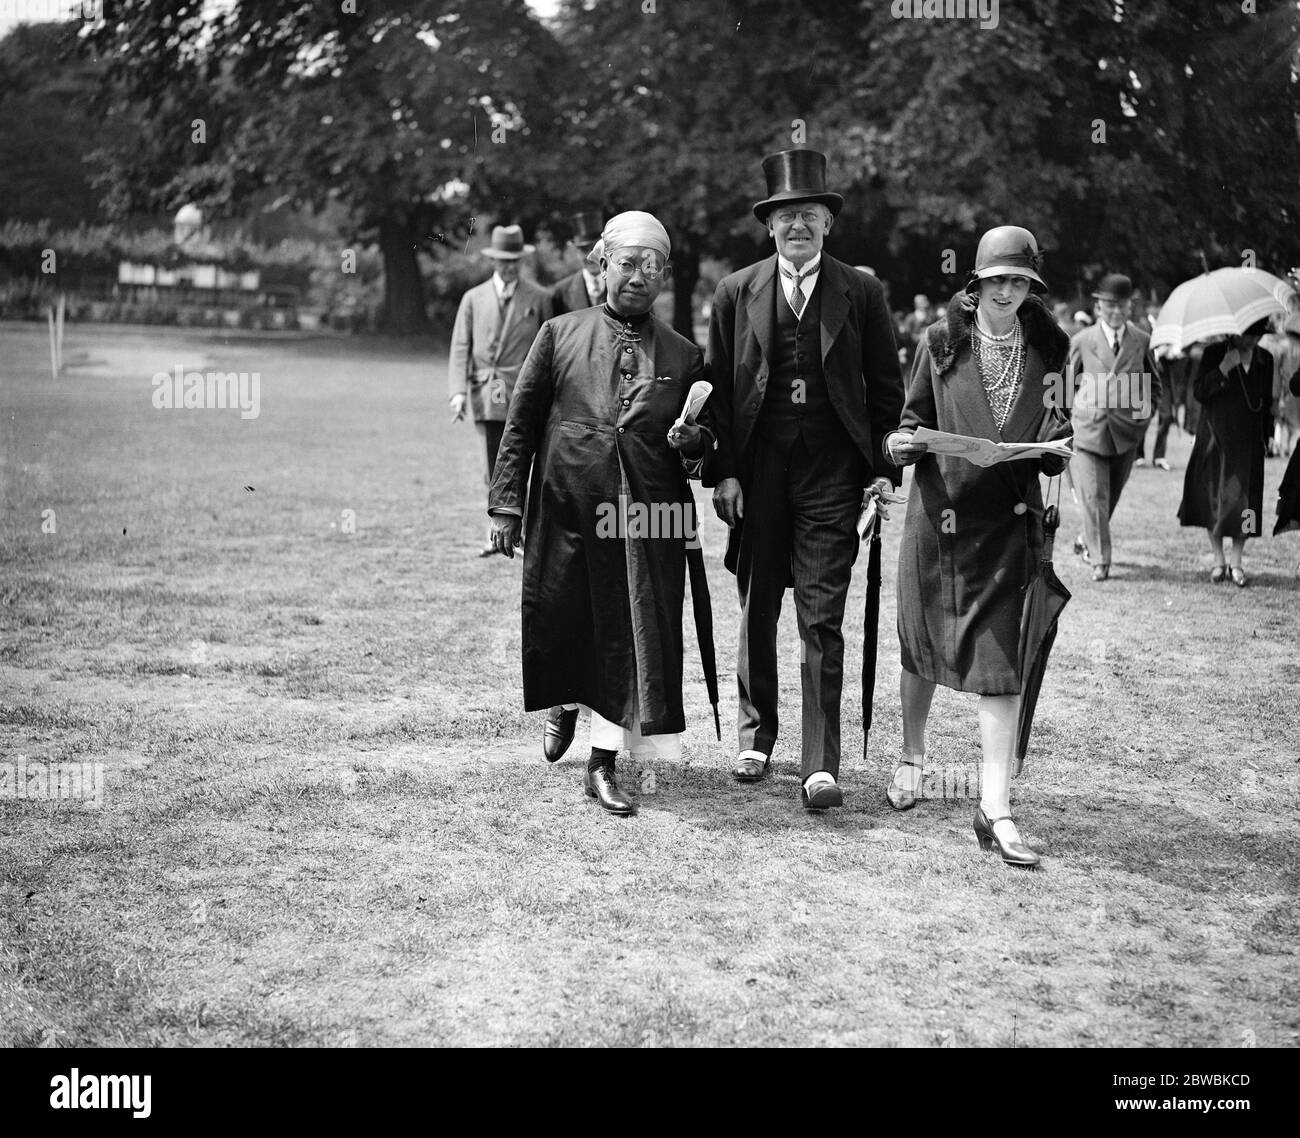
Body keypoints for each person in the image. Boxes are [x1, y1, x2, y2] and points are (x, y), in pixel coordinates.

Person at [487, 211, 711, 815]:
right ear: (602, 264)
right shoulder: (559, 333)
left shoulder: (685, 355)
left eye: (654, 265)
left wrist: (695, 443)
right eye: (629, 262)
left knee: (628, 638)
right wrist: (505, 505)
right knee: (566, 616)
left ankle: (603, 763)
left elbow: (706, 447)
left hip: (645, 520)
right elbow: (521, 425)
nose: (640, 276)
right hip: (566, 508)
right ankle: (564, 700)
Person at [705, 148, 905, 811]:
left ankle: (821, 765)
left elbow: (885, 391)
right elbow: (718, 395)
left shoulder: (863, 292)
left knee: (822, 617)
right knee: (757, 607)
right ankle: (756, 738)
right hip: (759, 471)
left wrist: (880, 470)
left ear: (828, 223)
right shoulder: (735, 292)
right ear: (769, 225)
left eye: (810, 215)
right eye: (787, 215)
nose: (799, 226)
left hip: (832, 474)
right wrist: (724, 474)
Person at [885, 225, 1072, 868]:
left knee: (1002, 667)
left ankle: (995, 808)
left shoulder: (1050, 346)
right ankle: (913, 757)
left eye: (1019, 282)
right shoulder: (940, 343)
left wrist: (1055, 449)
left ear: (1030, 288)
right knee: (922, 647)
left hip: (1007, 531)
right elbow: (909, 423)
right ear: (978, 284)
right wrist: (903, 445)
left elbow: (1056, 427)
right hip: (940, 522)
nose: (1007, 291)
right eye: (997, 281)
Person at [448, 225, 553, 556]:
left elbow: (553, 349)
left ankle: (519, 532)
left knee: (527, 462)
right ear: (493, 261)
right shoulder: (473, 298)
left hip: (525, 393)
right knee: (491, 465)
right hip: (485, 394)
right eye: (502, 261)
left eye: (514, 261)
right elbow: (460, 346)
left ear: (521, 261)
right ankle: (493, 532)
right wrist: (458, 392)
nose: (508, 267)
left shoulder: (540, 298)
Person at [1067, 273, 1163, 581]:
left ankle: (1085, 538)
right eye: (1110, 305)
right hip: (1089, 430)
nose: (1116, 312)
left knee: (1110, 498)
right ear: (1098, 307)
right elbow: (1060, 386)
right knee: (1095, 497)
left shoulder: (1141, 340)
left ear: (1130, 306)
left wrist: (1142, 419)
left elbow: (1154, 386)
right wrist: (1069, 421)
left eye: (1122, 305)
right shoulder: (1082, 341)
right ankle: (1100, 561)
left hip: (1126, 433)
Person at [1178, 321, 1275, 586]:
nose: (1251, 341)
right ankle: (1218, 560)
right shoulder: (1213, 354)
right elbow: (1199, 392)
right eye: (1247, 336)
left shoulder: (1266, 359)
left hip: (1250, 443)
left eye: (1256, 336)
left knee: (1248, 505)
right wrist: (1224, 368)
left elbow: (1267, 402)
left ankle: (1237, 561)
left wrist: (1269, 436)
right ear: (1233, 331)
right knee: (1214, 502)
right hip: (1216, 440)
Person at [550, 211, 606, 316]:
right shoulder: (561, 292)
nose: (590, 256)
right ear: (576, 251)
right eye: (584, 250)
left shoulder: (617, 284)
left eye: (595, 249)